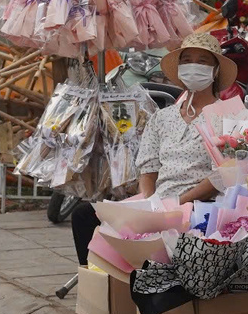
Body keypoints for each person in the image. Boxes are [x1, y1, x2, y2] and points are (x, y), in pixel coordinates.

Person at [68, 31, 232, 265]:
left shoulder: (228, 115)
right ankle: (98, 282)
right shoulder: (163, 117)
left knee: (155, 244)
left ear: (215, 70)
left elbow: (224, 174)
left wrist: (179, 202)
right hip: (159, 200)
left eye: (202, 61)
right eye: (186, 61)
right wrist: (150, 200)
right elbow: (149, 166)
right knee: (84, 216)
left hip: (199, 205)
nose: (193, 67)